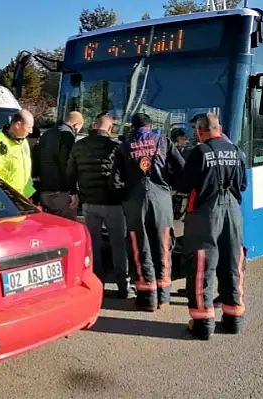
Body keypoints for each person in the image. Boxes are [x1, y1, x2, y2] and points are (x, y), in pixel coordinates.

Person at [177, 112, 247, 341]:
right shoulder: (236, 151)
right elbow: (243, 185)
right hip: (233, 213)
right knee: (232, 263)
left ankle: (202, 323)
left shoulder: (200, 152)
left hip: (206, 214)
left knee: (201, 265)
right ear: (220, 127)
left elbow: (184, 184)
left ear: (199, 130)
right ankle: (233, 318)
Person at [112, 113, 185, 311]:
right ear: (150, 126)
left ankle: (147, 298)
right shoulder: (163, 140)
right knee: (162, 245)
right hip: (161, 199)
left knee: (140, 246)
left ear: (132, 128)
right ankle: (163, 296)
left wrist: (126, 196)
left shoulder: (123, 146)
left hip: (135, 201)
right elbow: (181, 168)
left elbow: (115, 179)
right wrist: (171, 185)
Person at [67, 113, 133, 298]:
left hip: (89, 202)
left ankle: (97, 283)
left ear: (94, 125)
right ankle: (123, 285)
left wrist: (74, 193)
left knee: (94, 244)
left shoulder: (79, 145)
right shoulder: (116, 147)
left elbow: (70, 171)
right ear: (110, 128)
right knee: (118, 243)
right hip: (114, 203)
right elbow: (126, 174)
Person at [36, 111, 84, 220]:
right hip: (61, 193)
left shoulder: (46, 134)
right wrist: (73, 191)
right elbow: (66, 164)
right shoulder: (68, 136)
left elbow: (37, 159)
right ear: (76, 125)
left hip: (44, 190)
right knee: (67, 228)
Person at [0, 110, 36, 198]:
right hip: (5, 200)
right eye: (29, 127)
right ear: (18, 125)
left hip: (23, 198)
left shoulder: (23, 142)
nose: (31, 131)